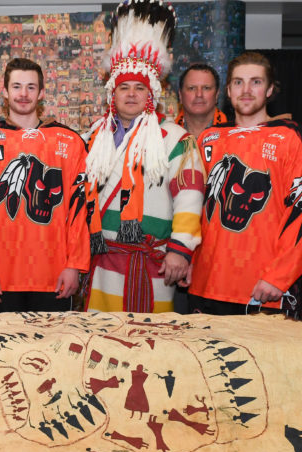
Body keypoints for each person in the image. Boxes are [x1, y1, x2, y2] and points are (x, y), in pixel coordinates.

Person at [84, 0, 205, 313]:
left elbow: (190, 197)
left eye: (139, 88)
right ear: (112, 94)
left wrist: (180, 249)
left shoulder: (176, 139)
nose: (131, 94)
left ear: (151, 94)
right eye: (124, 87)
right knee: (97, 336)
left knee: (149, 339)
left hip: (152, 264)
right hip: (99, 260)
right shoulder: (94, 137)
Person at [189, 51, 302, 317]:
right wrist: (188, 258)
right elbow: (192, 206)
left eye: (256, 82)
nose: (246, 90)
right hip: (206, 286)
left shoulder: (295, 137)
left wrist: (279, 276)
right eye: (238, 82)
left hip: (266, 292)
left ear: (270, 89)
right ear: (228, 91)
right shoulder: (208, 138)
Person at [0, 57, 90, 312]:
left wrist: (74, 266)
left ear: (42, 93)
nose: (24, 94)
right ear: (5, 92)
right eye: (16, 86)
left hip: (55, 278)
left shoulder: (70, 142)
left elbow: (79, 211)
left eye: (31, 87)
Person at [174, 63, 227, 138]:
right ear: (180, 95)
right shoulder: (166, 136)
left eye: (206, 88)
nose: (199, 94)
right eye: (192, 88)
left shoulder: (234, 134)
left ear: (216, 95)